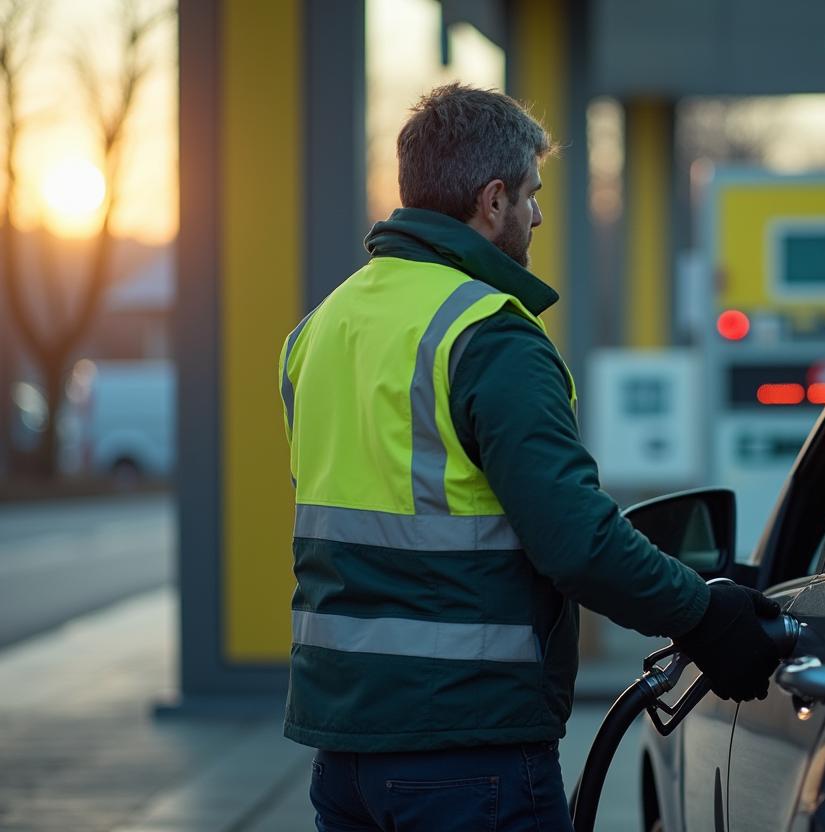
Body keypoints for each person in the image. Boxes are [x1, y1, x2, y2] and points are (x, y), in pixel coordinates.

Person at [277, 83, 781, 832]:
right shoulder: (488, 335)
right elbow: (577, 541)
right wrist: (705, 616)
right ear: (491, 201)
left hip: (343, 750)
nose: (539, 215)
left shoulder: (320, 329)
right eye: (531, 195)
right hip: (466, 748)